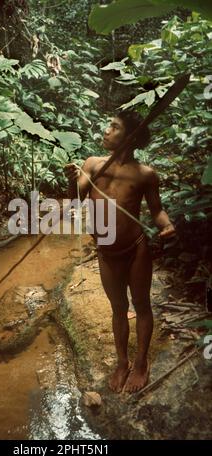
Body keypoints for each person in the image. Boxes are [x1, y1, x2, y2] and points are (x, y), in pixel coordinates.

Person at [64, 110, 176, 393]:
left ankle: (140, 363)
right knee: (118, 308)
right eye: (109, 125)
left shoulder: (145, 174)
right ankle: (122, 361)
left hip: (135, 248)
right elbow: (76, 196)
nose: (106, 130)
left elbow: (156, 210)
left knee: (141, 305)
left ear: (131, 137)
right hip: (106, 251)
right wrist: (72, 177)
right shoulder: (92, 164)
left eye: (114, 127)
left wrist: (166, 225)